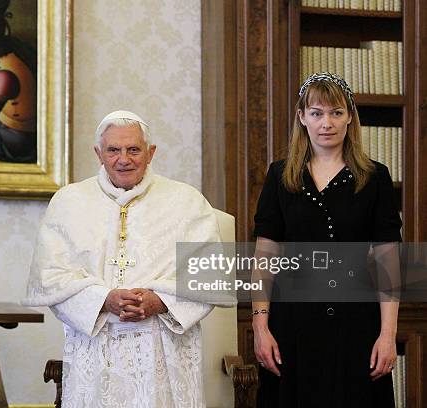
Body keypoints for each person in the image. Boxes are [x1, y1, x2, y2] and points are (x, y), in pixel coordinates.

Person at [23, 110, 228, 407]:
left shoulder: (186, 201)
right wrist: (105, 299)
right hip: (95, 349)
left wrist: (158, 301)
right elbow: (51, 278)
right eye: (113, 150)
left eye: (133, 149)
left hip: (163, 347)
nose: (124, 159)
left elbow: (210, 276)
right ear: (99, 153)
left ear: (150, 152)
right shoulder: (69, 202)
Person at [251, 72, 401, 407]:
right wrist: (260, 326)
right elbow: (265, 256)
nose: (326, 123)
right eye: (316, 113)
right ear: (302, 117)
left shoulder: (375, 177)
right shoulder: (279, 175)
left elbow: (387, 260)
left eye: (336, 112)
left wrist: (387, 335)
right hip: (291, 325)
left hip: (357, 325)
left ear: (350, 117)